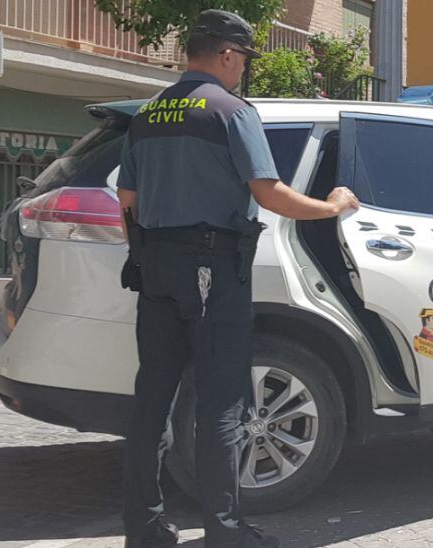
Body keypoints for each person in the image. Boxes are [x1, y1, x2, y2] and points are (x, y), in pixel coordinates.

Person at [116, 9, 359, 548]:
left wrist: (148, 252)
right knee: (221, 401)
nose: (243, 70)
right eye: (243, 60)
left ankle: (145, 528)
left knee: (152, 400)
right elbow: (270, 194)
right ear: (226, 53)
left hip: (154, 268)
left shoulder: (148, 113)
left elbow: (126, 201)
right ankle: (225, 532)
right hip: (211, 270)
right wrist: (332, 206)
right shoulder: (230, 111)